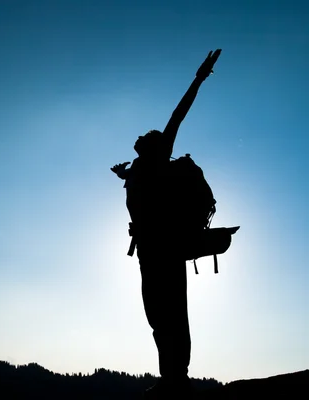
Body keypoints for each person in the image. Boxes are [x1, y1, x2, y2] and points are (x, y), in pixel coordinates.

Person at [111, 49, 222, 399]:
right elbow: (142, 195)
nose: (140, 136)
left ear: (155, 145)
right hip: (149, 251)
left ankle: (178, 379)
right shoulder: (140, 170)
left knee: (173, 315)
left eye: (147, 135)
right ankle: (170, 377)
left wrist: (199, 78)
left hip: (166, 249)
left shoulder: (158, 157)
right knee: (158, 317)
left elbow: (178, 113)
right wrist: (123, 175)